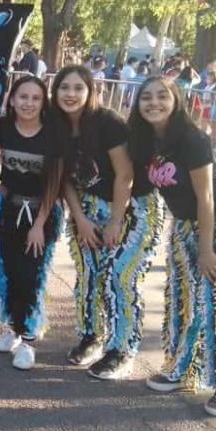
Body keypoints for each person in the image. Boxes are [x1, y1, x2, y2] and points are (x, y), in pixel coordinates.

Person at [129, 76, 216, 417]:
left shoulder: (191, 138)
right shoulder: (146, 142)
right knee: (182, 302)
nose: (153, 102)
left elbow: (207, 196)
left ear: (176, 100)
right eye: (146, 97)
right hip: (185, 225)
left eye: (161, 96)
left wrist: (206, 249)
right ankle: (183, 367)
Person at [52, 65, 163, 380]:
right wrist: (80, 218)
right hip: (87, 207)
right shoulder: (57, 127)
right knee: (88, 274)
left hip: (133, 207)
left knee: (119, 277)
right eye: (64, 88)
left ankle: (122, 350)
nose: (70, 94)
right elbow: (64, 180)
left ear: (90, 91)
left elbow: (125, 174)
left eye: (77, 88)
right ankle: (92, 336)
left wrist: (115, 220)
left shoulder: (107, 122)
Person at [0, 75, 64, 370]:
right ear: (13, 99)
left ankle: (29, 341)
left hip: (39, 214)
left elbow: (54, 184)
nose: (28, 103)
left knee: (31, 276)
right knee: (7, 272)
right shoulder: (3, 127)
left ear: (43, 102)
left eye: (35, 98)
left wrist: (38, 224)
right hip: (7, 210)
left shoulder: (52, 134)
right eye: (23, 97)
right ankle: (11, 329)